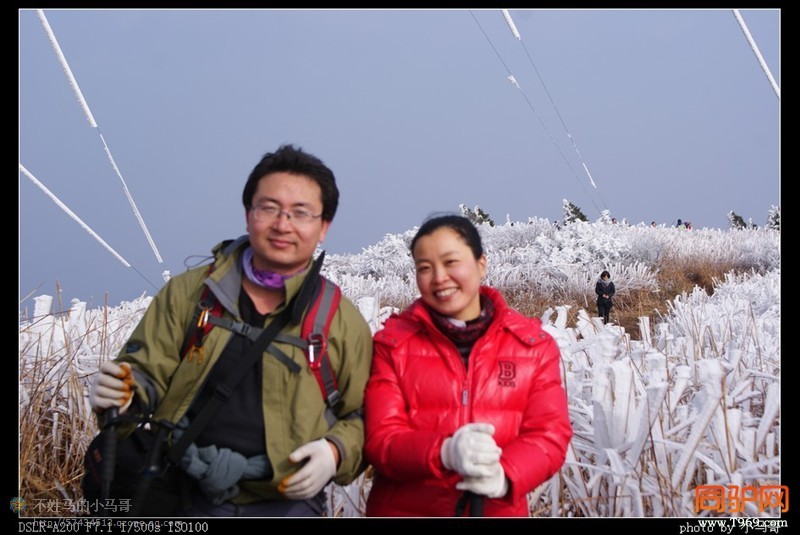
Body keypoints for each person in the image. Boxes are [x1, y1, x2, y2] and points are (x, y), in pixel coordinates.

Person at [88, 144, 373, 517]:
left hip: (286, 503)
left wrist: (334, 451)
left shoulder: (340, 321)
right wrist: (124, 394)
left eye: (301, 213)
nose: (282, 224)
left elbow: (362, 415)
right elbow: (145, 373)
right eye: (268, 208)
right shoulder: (190, 294)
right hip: (179, 491)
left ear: (324, 227)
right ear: (248, 214)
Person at [363, 215, 573, 517]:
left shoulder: (531, 345)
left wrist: (506, 474)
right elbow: (381, 438)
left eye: (451, 262)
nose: (439, 277)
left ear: (481, 264)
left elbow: (549, 433)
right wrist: (445, 451)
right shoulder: (392, 344)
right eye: (425, 267)